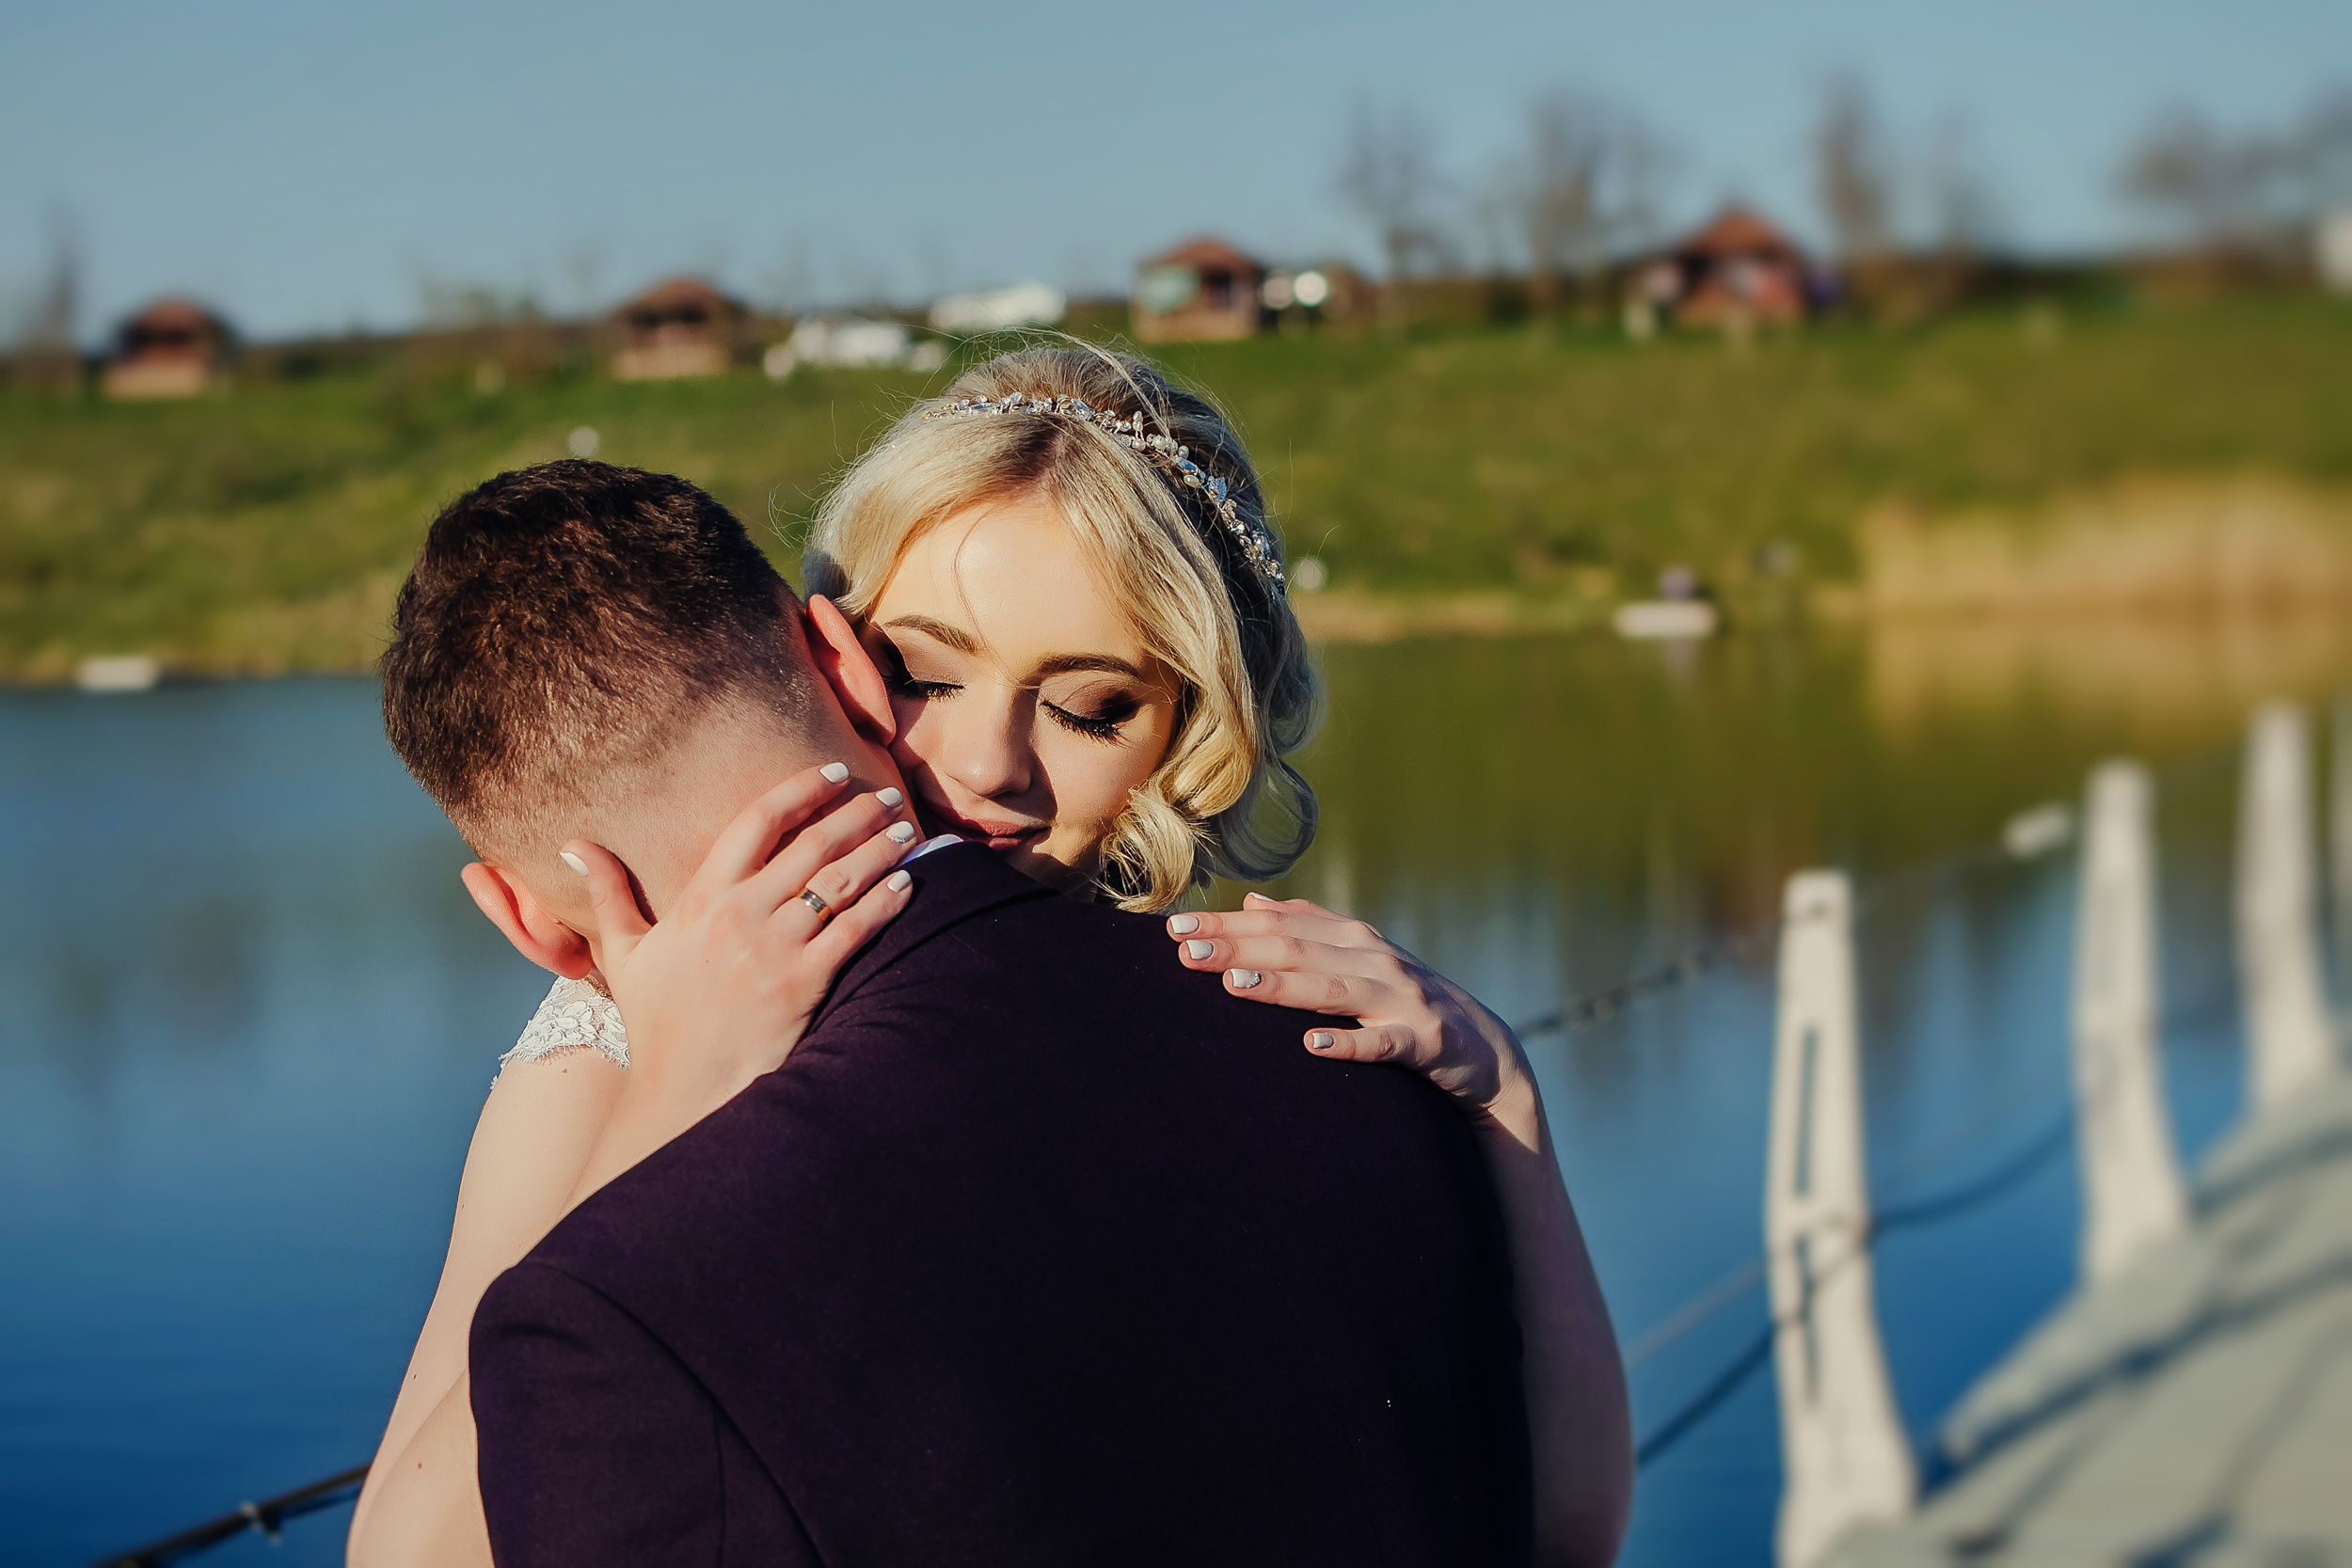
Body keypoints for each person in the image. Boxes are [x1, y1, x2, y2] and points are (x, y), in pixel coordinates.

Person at [350, 347, 1629, 1564]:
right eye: (926, 675)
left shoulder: (1263, 1015)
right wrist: (673, 1098)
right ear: (832, 653)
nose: (983, 768)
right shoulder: (609, 1042)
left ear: (1193, 726)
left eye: (1089, 707)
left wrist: (1503, 1101)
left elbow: (1555, 1524)